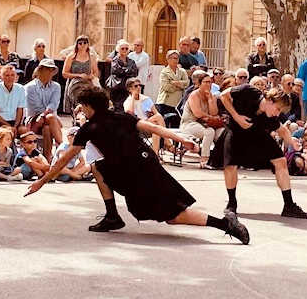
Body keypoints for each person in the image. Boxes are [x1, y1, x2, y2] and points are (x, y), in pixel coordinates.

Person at [26, 85, 249, 242]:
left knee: (174, 216)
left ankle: (226, 224)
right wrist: (180, 138)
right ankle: (112, 215)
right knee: (98, 166)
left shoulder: (89, 128)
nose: (81, 110)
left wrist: (42, 182)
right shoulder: (121, 116)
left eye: (82, 106)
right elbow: (152, 128)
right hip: (145, 164)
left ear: (88, 106)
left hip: (136, 175)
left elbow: (64, 159)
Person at [218, 82, 307, 218]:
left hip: (258, 135)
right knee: (230, 166)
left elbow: (282, 130)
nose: (277, 113)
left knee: (281, 161)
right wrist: (237, 117)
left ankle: (289, 205)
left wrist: (292, 143)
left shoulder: (270, 116)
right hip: (236, 132)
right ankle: (232, 203)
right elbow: (223, 96)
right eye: (277, 109)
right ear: (270, 100)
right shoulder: (248, 91)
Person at [180, 72, 222, 167]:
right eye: (206, 82)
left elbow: (214, 113)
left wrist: (211, 100)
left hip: (205, 124)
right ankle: (204, 159)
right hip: (189, 124)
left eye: (210, 82)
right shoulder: (194, 95)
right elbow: (197, 113)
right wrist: (212, 118)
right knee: (209, 132)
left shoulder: (212, 96)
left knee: (221, 133)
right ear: (199, 84)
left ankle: (218, 159)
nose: (208, 84)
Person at [25, 59, 64, 153]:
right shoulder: (29, 87)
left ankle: (48, 158)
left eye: (52, 70)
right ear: (40, 70)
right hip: (33, 120)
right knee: (50, 117)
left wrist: (43, 115)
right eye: (47, 69)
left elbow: (54, 105)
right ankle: (63, 147)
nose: (50, 72)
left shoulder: (56, 86)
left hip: (49, 119)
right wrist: (44, 115)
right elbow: (36, 107)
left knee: (47, 127)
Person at [0, 64, 28, 137]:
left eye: (12, 75)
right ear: (1, 77)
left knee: (24, 131)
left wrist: (15, 126)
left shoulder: (21, 89)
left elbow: (20, 110)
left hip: (14, 121)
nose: (10, 78)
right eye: (7, 75)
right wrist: (8, 126)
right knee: (5, 132)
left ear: (16, 76)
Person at [62, 36, 99, 109]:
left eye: (85, 43)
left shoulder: (91, 57)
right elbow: (64, 73)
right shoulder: (71, 57)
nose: (83, 45)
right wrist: (79, 75)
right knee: (77, 105)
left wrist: (91, 76)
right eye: (80, 43)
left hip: (87, 83)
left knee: (87, 105)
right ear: (77, 45)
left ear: (88, 44)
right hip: (74, 84)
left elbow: (96, 72)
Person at [156, 51, 188, 125]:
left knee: (176, 124)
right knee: (165, 124)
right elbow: (166, 87)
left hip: (178, 102)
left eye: (177, 58)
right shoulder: (164, 72)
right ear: (168, 59)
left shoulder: (182, 71)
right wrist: (180, 86)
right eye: (173, 58)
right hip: (166, 102)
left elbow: (186, 83)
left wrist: (174, 82)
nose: (175, 60)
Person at [107, 40, 140, 110]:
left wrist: (125, 71)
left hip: (128, 88)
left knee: (127, 107)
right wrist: (128, 71)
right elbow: (117, 71)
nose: (124, 50)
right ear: (118, 50)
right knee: (117, 107)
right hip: (118, 88)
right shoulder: (115, 60)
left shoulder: (131, 61)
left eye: (126, 48)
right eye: (122, 48)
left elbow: (135, 72)